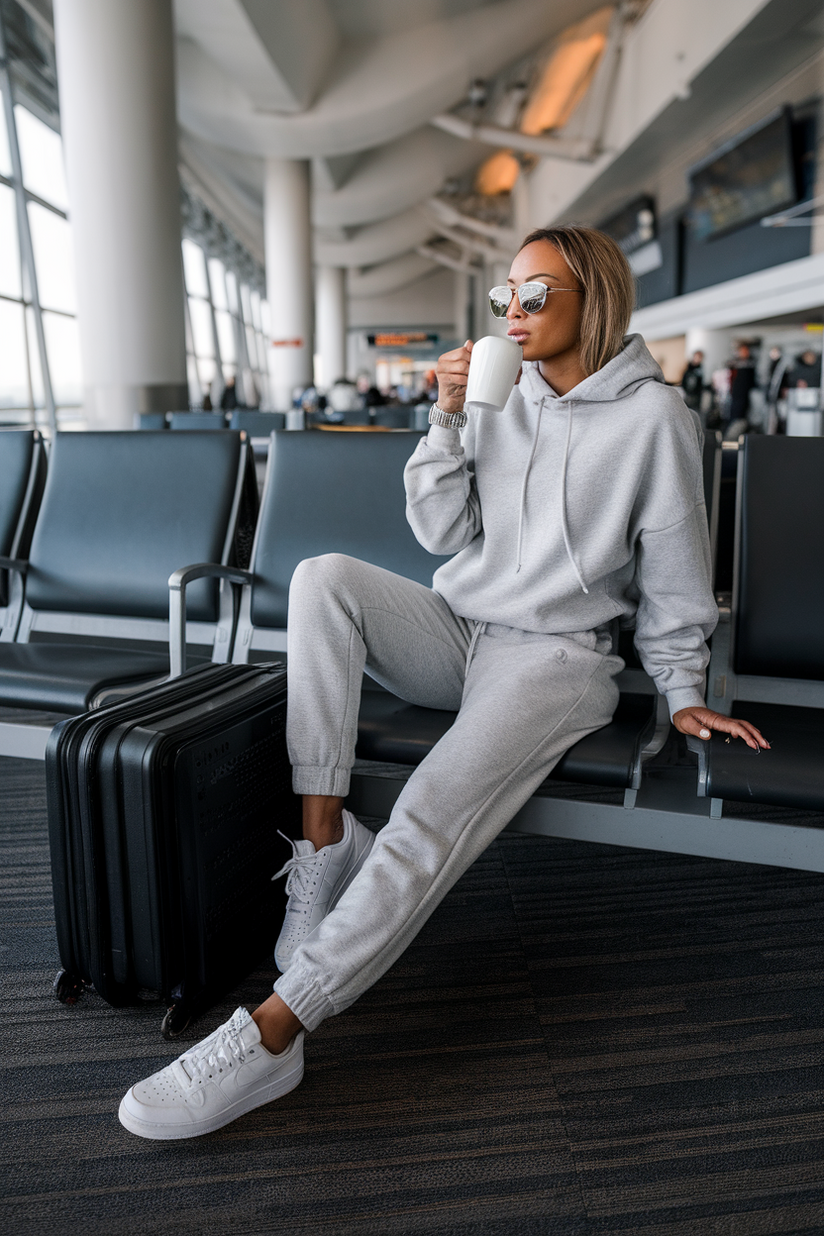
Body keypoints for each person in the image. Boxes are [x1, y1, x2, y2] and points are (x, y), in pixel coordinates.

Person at [118, 225, 768, 1141]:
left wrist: (684, 686)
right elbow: (438, 534)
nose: (514, 312)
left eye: (537, 295)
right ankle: (325, 842)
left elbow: (674, 579)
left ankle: (276, 1030)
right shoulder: (502, 397)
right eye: (507, 296)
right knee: (322, 577)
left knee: (427, 811)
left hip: (556, 658)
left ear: (596, 298)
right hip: (459, 626)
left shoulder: (657, 421)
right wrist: (449, 418)